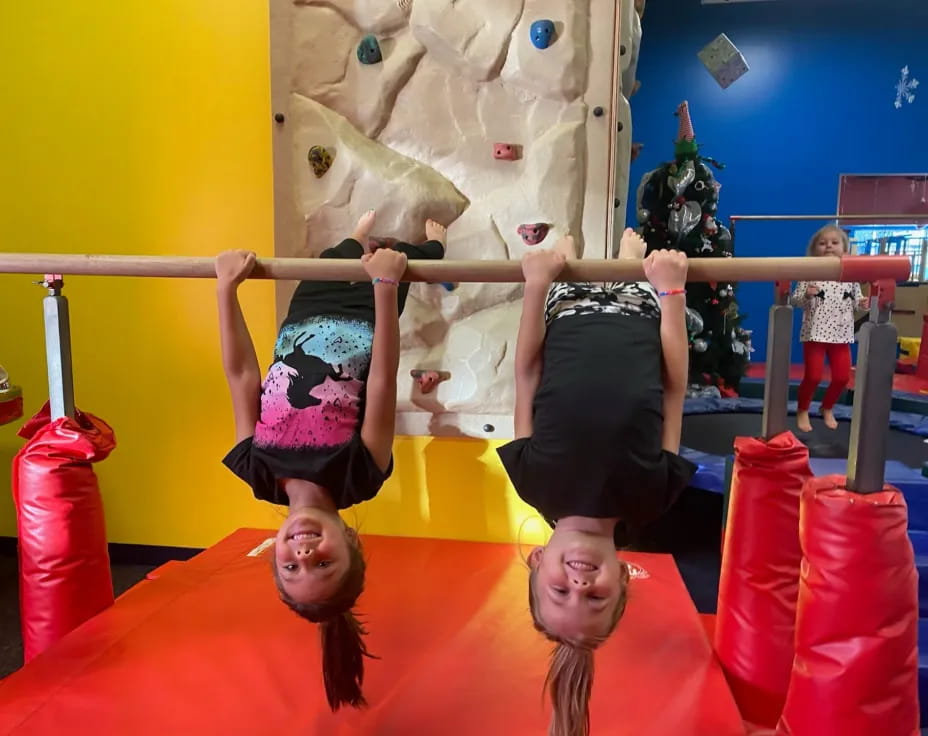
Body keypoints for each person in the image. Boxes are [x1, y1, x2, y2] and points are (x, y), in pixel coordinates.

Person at [215, 210, 446, 711]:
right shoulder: (358, 475)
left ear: (272, 554)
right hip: (369, 310)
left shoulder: (258, 471)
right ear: (349, 540)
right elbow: (382, 381)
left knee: (334, 255)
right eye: (323, 562)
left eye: (292, 567)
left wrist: (225, 291)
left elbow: (240, 377)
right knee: (418, 258)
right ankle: (435, 242)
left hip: (306, 312)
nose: (303, 552)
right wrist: (386, 289)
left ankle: (357, 236)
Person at [497, 228, 697, 736]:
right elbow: (673, 391)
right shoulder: (652, 498)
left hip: (567, 315)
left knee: (566, 250)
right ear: (624, 579)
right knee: (628, 259)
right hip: (640, 313)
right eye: (595, 598)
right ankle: (628, 254)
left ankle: (575, 250)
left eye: (559, 592)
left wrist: (537, 286)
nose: (580, 585)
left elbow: (526, 375)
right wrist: (671, 295)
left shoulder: (534, 482)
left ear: (537, 562)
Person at [790, 225, 869, 433]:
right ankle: (803, 409)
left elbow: (855, 299)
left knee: (842, 378)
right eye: (823, 243)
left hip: (841, 334)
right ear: (814, 248)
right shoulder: (810, 272)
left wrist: (862, 303)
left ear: (844, 247)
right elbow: (795, 300)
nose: (828, 247)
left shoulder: (849, 275)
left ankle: (827, 407)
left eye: (834, 243)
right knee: (813, 376)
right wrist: (807, 294)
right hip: (815, 333)